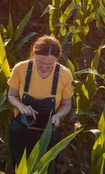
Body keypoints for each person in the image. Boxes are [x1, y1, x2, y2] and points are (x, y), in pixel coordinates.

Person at [7, 35, 73, 166]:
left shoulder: (64, 74)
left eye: (50, 64)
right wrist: (21, 107)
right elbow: (11, 95)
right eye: (40, 63)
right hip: (21, 129)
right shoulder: (20, 69)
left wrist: (58, 115)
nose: (44, 68)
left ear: (57, 59)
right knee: (19, 165)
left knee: (45, 168)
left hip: (49, 132)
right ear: (33, 55)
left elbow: (66, 103)